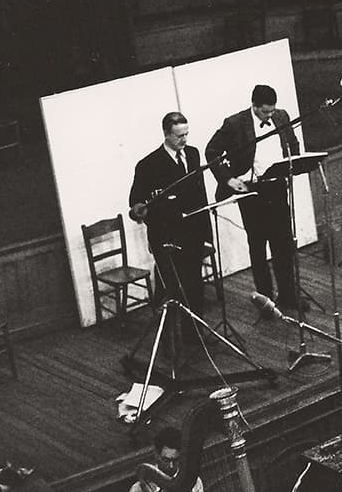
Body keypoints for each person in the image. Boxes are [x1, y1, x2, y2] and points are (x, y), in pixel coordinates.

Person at [205, 84, 302, 311]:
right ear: (254, 106)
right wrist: (228, 180)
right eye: (265, 112)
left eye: (272, 111)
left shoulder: (282, 116)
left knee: (283, 243)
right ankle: (265, 300)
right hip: (251, 191)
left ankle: (288, 295)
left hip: (277, 188)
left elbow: (292, 143)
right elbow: (211, 151)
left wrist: (291, 164)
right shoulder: (235, 124)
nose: (270, 115)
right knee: (258, 245)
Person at [129, 112, 214, 342]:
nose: (184, 140)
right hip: (166, 237)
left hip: (192, 233)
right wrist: (139, 210)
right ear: (166, 134)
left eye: (186, 134)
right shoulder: (148, 165)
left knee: (195, 285)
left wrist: (207, 234)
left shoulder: (194, 154)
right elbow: (137, 201)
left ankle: (193, 334)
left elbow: (200, 195)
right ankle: (166, 341)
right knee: (169, 290)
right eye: (179, 136)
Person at [111, 425, 217, 492]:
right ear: (156, 455)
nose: (171, 466)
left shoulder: (190, 480)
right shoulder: (142, 485)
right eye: (166, 460)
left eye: (175, 460)